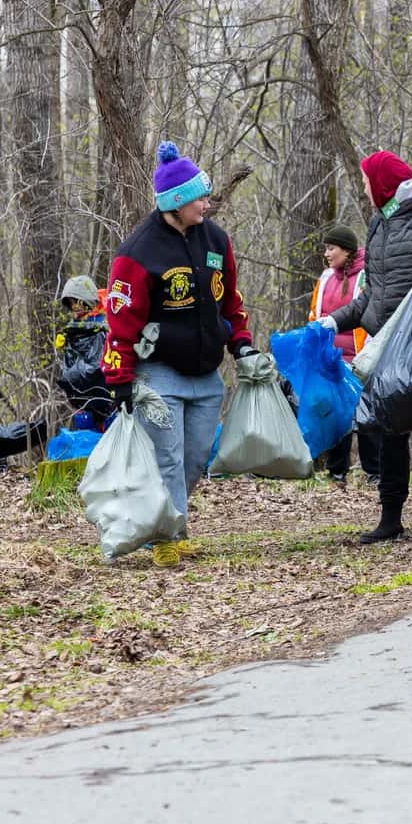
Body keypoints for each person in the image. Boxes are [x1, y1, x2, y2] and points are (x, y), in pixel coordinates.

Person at [103, 142, 256, 567]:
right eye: (200, 198)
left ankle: (171, 519)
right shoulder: (138, 251)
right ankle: (169, 537)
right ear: (176, 202)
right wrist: (120, 378)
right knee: (167, 458)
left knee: (193, 461)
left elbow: (231, 300)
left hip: (207, 373)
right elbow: (121, 318)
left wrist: (241, 342)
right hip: (159, 372)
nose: (208, 203)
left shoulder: (216, 240)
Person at [322, 151, 412, 543]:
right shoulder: (378, 224)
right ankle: (391, 516)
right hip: (384, 342)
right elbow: (373, 295)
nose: (365, 187)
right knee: (388, 424)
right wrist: (333, 320)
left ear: (383, 184)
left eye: (368, 180)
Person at [308, 223, 380, 487]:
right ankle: (337, 471)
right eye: (326, 248)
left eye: (331, 248)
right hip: (331, 358)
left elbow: (371, 314)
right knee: (336, 415)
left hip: (361, 358)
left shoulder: (366, 277)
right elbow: (315, 314)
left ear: (347, 250)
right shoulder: (326, 278)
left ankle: (374, 471)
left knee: (366, 415)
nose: (326, 253)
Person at [56, 275, 112, 430]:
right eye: (71, 303)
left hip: (106, 395)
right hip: (84, 399)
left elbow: (96, 365)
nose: (75, 307)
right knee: (86, 430)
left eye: (77, 302)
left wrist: (69, 378)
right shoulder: (76, 326)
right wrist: (67, 339)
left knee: (110, 433)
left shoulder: (104, 322)